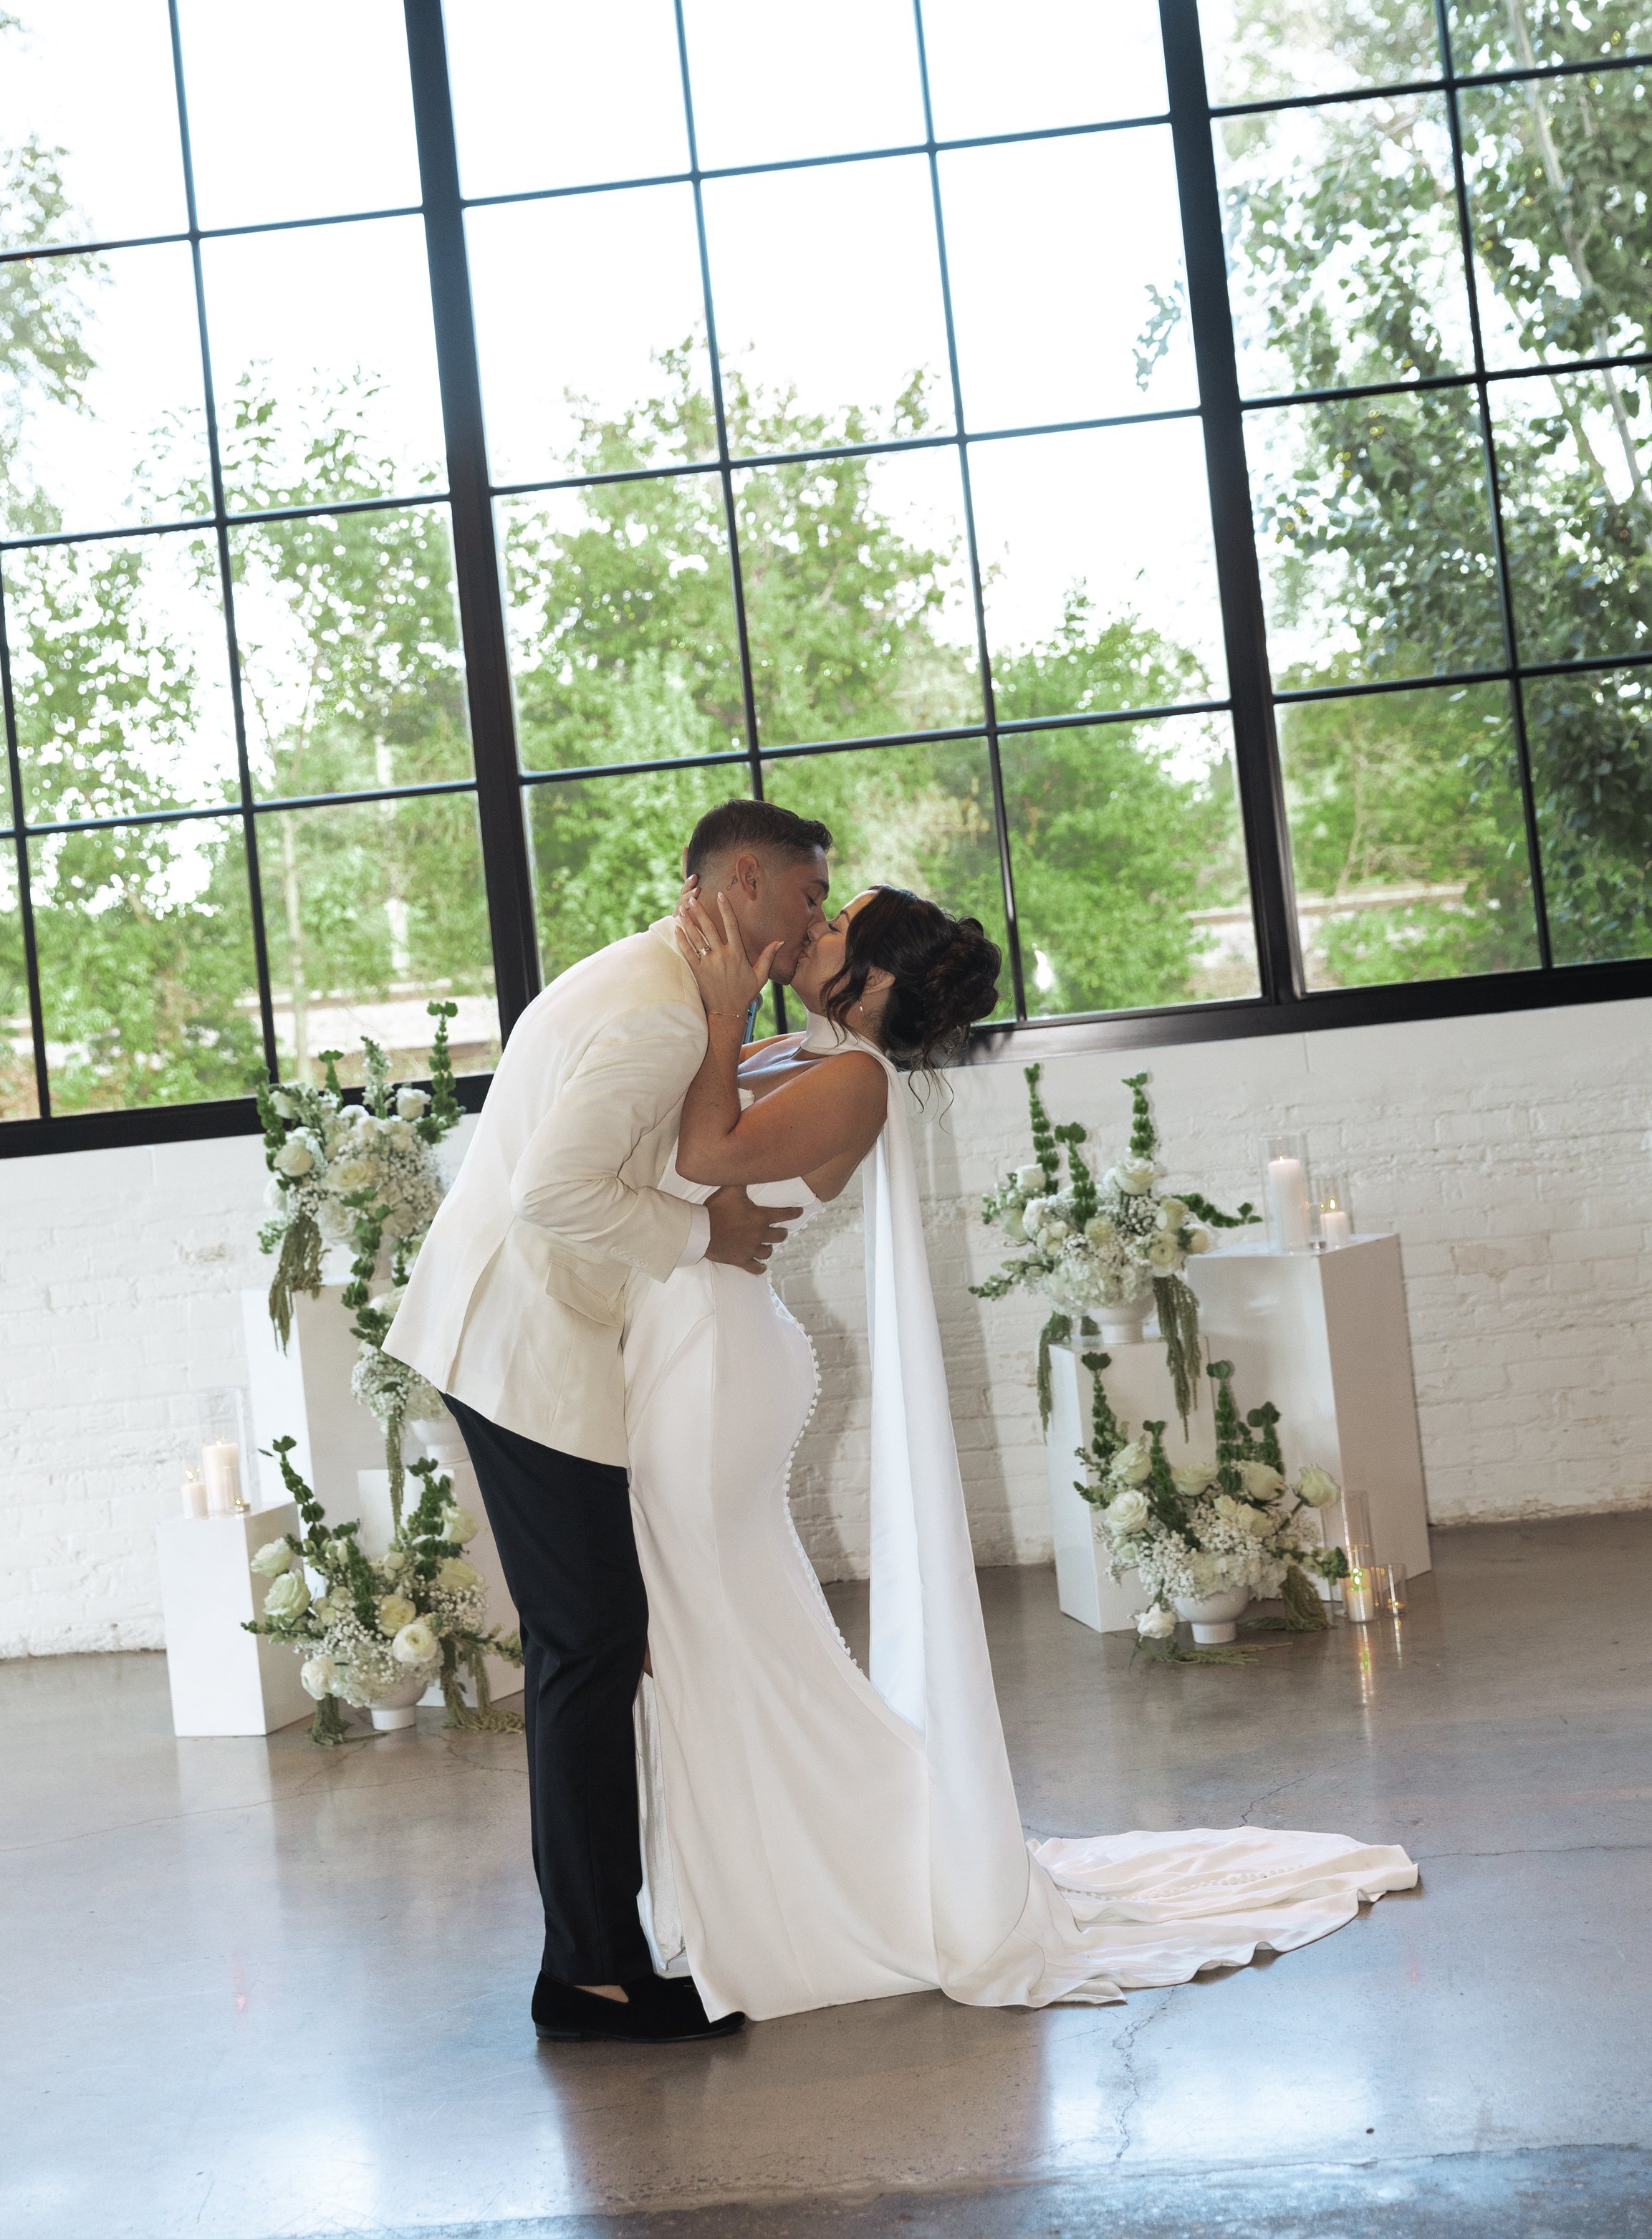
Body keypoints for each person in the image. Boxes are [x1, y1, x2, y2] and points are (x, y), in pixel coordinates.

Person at [623, 882, 1418, 2022]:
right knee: (723, 1636)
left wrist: (714, 1008)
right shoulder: (805, 1049)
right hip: (689, 1351)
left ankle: (803, 1883)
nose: (811, 931)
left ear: (878, 981)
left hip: (711, 1373)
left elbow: (706, 1143)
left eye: (836, 927)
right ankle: (767, 1873)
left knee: (706, 1628)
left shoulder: (854, 1080)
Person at [384, 798, 832, 2044]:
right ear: (743, 882)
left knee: (595, 1641)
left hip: (531, 1337)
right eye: (805, 898)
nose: (811, 926)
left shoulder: (662, 983)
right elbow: (554, 1188)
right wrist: (708, 1234)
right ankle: (586, 1973)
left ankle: (593, 1952)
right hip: (520, 1346)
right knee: (589, 1647)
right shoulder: (654, 1008)